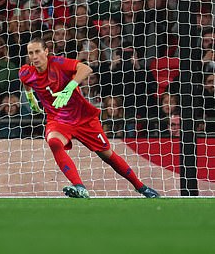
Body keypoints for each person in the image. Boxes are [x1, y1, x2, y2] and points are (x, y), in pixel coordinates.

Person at [18, 36, 160, 198]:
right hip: (58, 120)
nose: (34, 56)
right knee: (54, 142)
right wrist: (31, 98)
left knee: (107, 155)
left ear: (46, 51)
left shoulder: (58, 63)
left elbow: (86, 69)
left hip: (83, 118)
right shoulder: (26, 72)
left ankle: (141, 187)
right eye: (31, 53)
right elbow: (26, 81)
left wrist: (69, 88)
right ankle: (79, 187)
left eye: (37, 52)